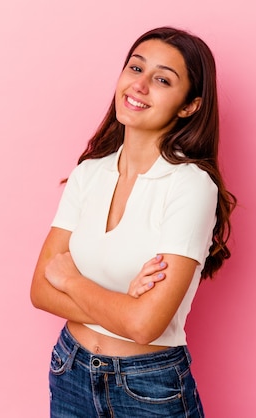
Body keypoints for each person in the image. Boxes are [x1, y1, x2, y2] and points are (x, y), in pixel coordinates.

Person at [30, 26, 236, 417]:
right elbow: (39, 290)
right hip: (69, 369)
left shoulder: (191, 187)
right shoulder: (88, 174)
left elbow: (145, 327)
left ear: (189, 106)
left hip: (147, 388)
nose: (139, 85)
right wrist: (125, 307)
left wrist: (71, 280)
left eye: (161, 79)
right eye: (135, 68)